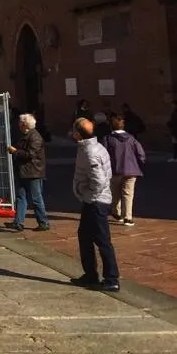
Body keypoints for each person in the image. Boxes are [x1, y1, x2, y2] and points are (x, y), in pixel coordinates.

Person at [70, 118, 120, 292]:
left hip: (96, 201)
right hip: (94, 200)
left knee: (102, 239)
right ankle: (90, 274)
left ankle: (111, 278)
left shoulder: (90, 151)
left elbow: (99, 180)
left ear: (78, 133)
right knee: (85, 236)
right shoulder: (93, 147)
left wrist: (88, 195)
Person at [5, 113, 49, 231]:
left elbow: (30, 154)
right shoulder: (25, 135)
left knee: (36, 197)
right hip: (23, 171)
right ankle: (18, 222)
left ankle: (43, 222)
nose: (18, 124)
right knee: (21, 197)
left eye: (20, 122)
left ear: (25, 124)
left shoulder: (35, 137)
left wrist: (15, 151)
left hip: (33, 172)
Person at [104, 112, 146, 227]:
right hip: (131, 170)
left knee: (115, 193)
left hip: (115, 170)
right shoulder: (131, 139)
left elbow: (104, 155)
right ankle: (128, 217)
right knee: (128, 194)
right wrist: (138, 164)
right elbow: (141, 154)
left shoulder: (108, 139)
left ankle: (116, 212)